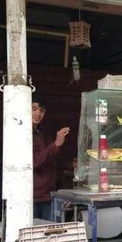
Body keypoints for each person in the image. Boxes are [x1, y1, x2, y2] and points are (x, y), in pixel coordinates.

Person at [32, 92, 70, 220]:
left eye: (42, 111)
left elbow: (55, 164)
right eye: (34, 109)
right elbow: (34, 162)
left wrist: (65, 191)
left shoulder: (43, 132)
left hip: (49, 196)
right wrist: (56, 144)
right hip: (29, 199)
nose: (38, 114)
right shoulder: (19, 132)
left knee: (50, 237)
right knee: (30, 238)